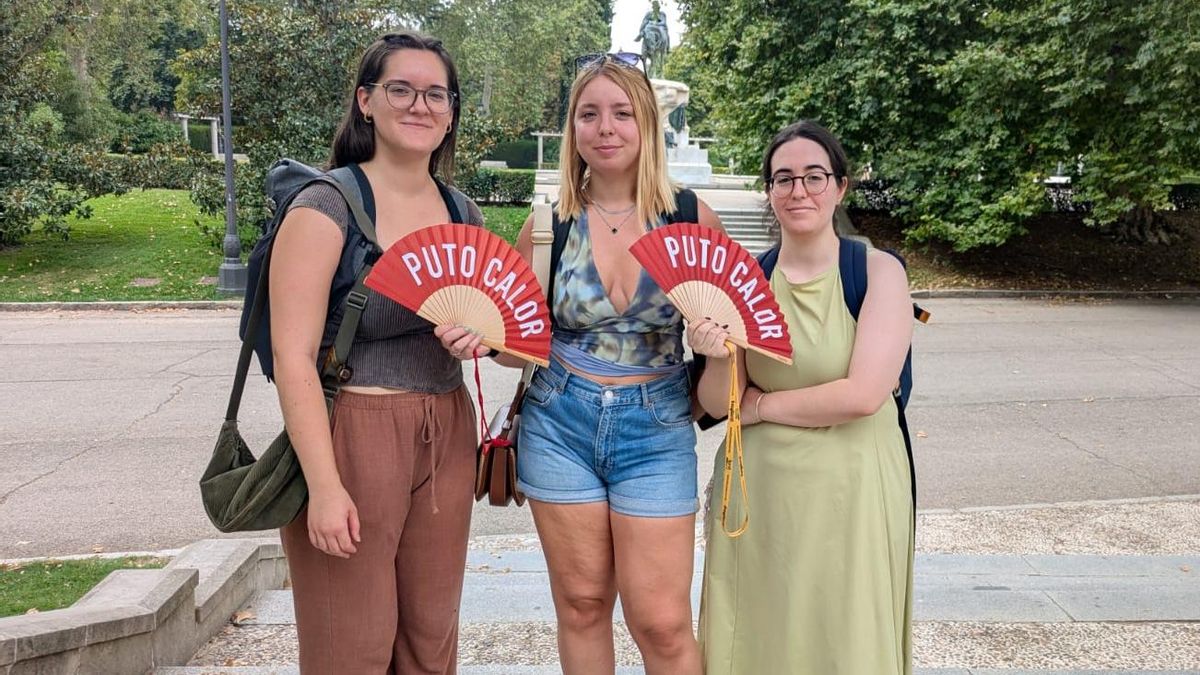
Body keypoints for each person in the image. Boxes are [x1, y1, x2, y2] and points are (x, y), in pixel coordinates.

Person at [484, 53, 720, 675]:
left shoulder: (691, 217)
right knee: (583, 605)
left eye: (621, 113)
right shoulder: (547, 226)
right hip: (560, 422)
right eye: (589, 114)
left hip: (659, 425)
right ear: (573, 129)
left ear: (647, 125)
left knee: (663, 623)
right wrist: (481, 337)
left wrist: (719, 348)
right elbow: (518, 348)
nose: (605, 128)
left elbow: (723, 366)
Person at [269, 32, 485, 674]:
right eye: (401, 89)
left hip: (447, 427)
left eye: (435, 93)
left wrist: (479, 338)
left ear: (450, 111)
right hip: (354, 433)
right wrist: (325, 487)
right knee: (351, 648)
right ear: (366, 101)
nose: (420, 105)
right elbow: (293, 357)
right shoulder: (326, 205)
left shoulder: (462, 212)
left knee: (429, 641)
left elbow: (503, 338)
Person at [690, 120, 914, 674]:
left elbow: (863, 394)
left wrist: (763, 407)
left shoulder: (877, 273)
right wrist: (718, 352)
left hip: (853, 491)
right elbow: (719, 404)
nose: (799, 191)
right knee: (759, 635)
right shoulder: (745, 278)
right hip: (760, 495)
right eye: (783, 178)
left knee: (844, 633)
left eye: (815, 177)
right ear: (768, 191)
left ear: (840, 186)